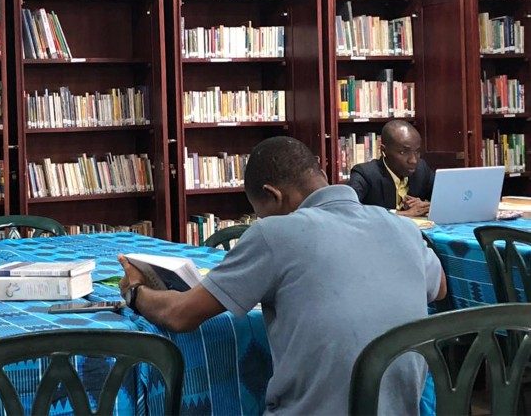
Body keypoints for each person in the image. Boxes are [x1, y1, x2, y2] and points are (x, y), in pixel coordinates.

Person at [118, 136, 446, 415]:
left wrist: (135, 289)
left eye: (259, 211)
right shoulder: (402, 227)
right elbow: (440, 288)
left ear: (273, 195)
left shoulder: (275, 233)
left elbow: (180, 315)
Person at [347, 120, 435, 217]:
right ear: (383, 151)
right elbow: (349, 209)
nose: (413, 160)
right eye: (403, 152)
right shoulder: (365, 174)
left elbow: (447, 201)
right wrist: (404, 214)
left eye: (417, 152)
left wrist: (428, 206)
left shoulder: (421, 169)